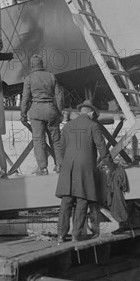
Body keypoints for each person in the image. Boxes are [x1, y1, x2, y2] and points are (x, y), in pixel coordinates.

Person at [55, 99, 112, 243]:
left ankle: (61, 236)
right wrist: (111, 166)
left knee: (66, 201)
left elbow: (60, 149)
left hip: (68, 167)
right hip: (85, 168)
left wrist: (60, 165)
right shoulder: (93, 126)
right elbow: (102, 149)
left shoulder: (67, 126)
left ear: (81, 112)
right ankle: (76, 235)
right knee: (82, 200)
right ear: (91, 113)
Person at [20, 54, 63, 175]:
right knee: (56, 139)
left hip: (36, 111)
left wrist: (23, 114)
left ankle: (43, 168)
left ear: (32, 65)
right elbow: (59, 96)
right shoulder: (51, 76)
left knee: (39, 140)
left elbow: (26, 98)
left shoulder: (29, 78)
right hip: (51, 110)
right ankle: (60, 165)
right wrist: (59, 112)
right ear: (42, 64)